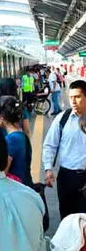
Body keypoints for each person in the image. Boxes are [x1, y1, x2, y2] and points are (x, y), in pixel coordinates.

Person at [42, 80, 86, 220]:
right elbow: (50, 144)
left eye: (77, 97)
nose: (73, 101)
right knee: (67, 218)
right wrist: (48, 168)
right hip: (67, 177)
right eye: (71, 97)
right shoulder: (63, 119)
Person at [0, 96, 33, 187]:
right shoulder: (22, 136)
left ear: (1, 117)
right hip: (26, 186)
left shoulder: (11, 140)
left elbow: (3, 173)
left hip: (16, 188)